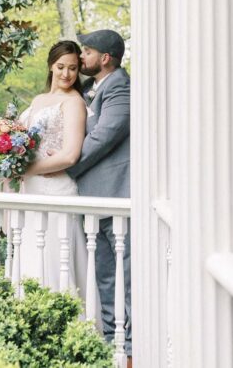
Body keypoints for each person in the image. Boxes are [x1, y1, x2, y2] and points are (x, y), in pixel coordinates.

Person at [67, 29, 131, 362]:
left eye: (87, 51)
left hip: (116, 195)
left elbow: (106, 135)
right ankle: (111, 341)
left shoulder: (119, 86)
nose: (82, 58)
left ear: (105, 58)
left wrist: (67, 166)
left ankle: (132, 348)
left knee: (126, 277)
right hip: (95, 199)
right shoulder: (92, 89)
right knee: (106, 276)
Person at [18, 40, 89, 295]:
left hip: (55, 188)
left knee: (54, 257)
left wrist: (25, 170)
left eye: (72, 68)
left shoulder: (74, 102)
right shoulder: (39, 99)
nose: (66, 74)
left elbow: (70, 156)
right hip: (31, 189)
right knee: (31, 254)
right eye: (61, 67)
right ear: (51, 66)